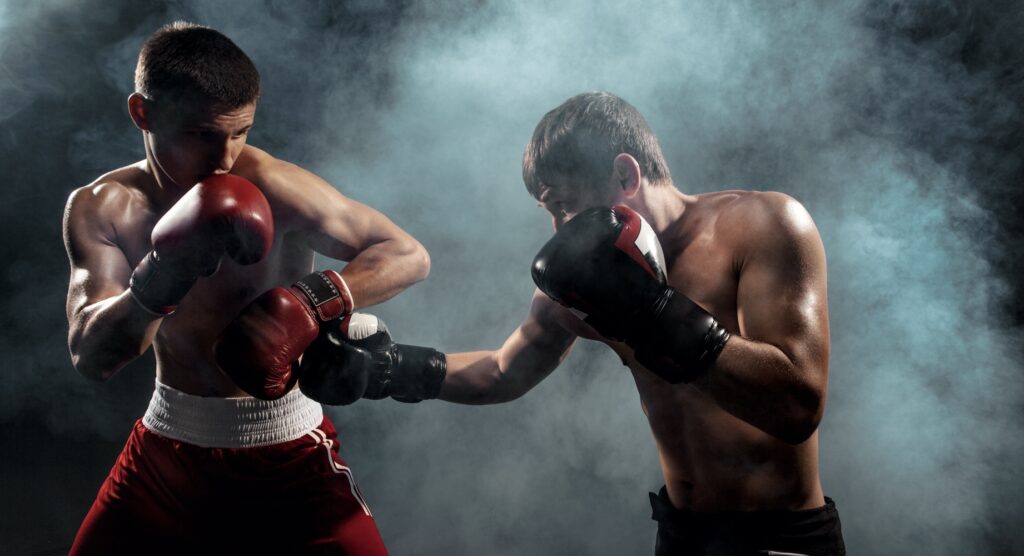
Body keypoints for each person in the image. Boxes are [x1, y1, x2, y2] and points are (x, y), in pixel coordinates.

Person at [293, 92, 846, 555]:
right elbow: (503, 371)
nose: (560, 229)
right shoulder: (582, 278)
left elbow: (796, 405)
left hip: (783, 538)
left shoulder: (761, 225)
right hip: (683, 535)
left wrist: (652, 313)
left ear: (626, 174)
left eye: (566, 205)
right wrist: (386, 371)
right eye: (550, 213)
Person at [62, 21, 428, 555]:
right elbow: (92, 355)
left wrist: (309, 300)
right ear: (143, 113)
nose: (225, 159)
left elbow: (407, 254)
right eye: (202, 134)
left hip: (286, 449)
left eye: (240, 132)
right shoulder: (102, 207)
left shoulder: (276, 186)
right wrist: (165, 273)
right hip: (167, 454)